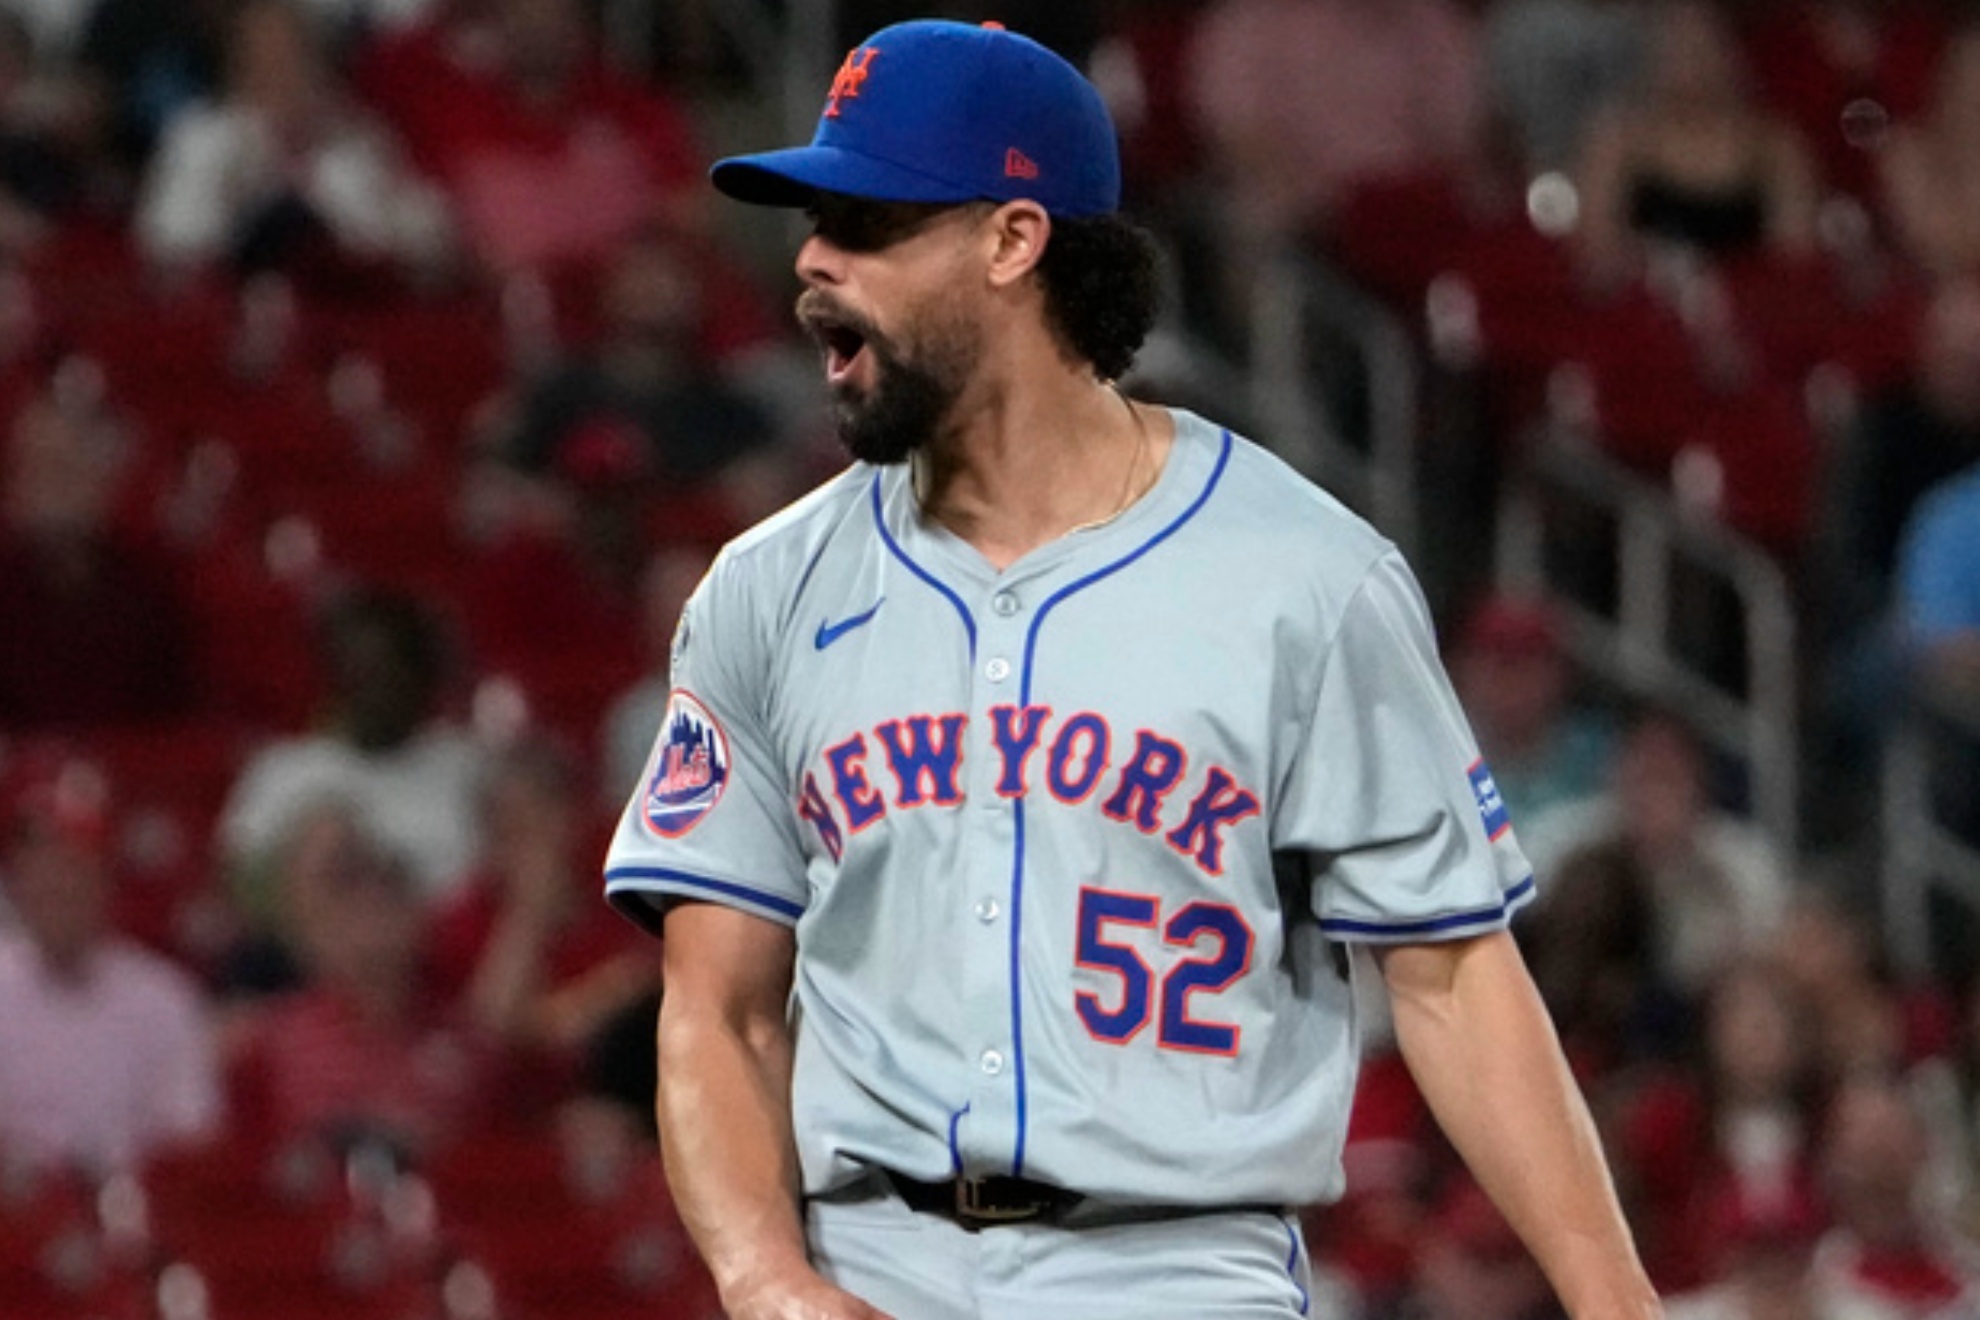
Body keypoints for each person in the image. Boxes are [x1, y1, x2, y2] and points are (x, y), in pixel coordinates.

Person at [601, 19, 1660, 1320]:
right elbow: (719, 1011)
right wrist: (765, 1278)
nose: (814, 257)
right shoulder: (766, 592)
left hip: (1181, 1270)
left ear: (1012, 239)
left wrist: (1619, 1307)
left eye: (869, 219)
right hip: (870, 1268)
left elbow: (1451, 978)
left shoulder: (1303, 580)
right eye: (817, 216)